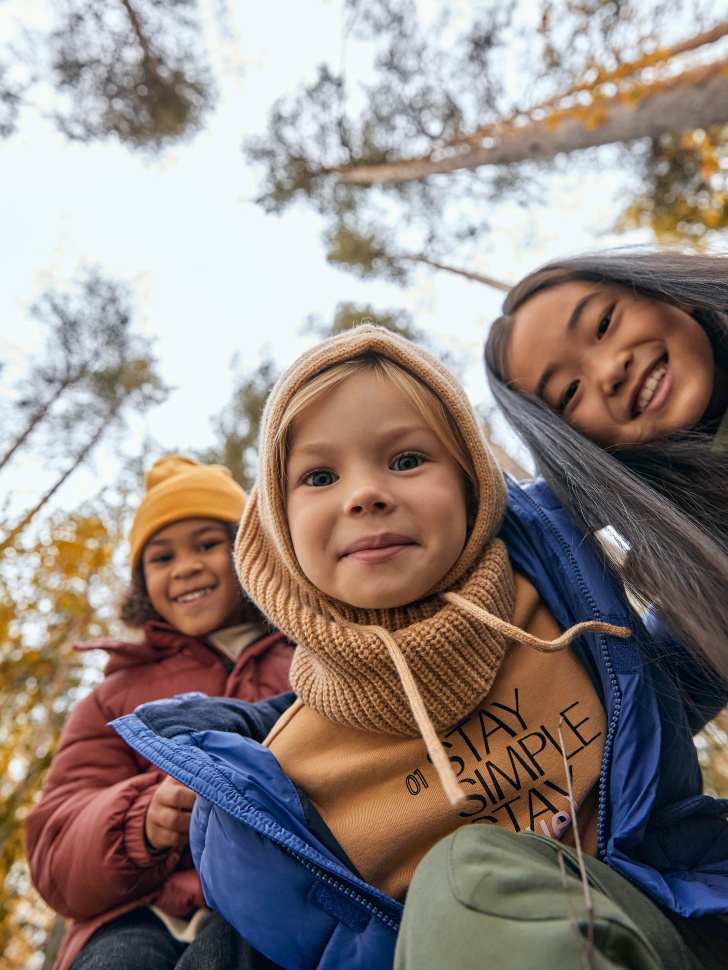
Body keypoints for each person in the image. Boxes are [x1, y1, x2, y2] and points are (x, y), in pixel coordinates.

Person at [114, 325, 728, 970]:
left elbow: (666, 682)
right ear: (278, 531)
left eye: (407, 460)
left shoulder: (565, 595)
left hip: (676, 914)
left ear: (470, 484)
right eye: (319, 476)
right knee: (463, 876)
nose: (364, 494)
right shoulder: (277, 789)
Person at [26, 456, 295, 970]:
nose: (186, 567)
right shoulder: (112, 696)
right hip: (140, 915)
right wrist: (142, 820)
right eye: (162, 556)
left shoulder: (310, 659)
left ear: (251, 549)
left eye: (208, 544)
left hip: (275, 902)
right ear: (140, 582)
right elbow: (55, 852)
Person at [485, 249, 728, 689]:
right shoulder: (698, 586)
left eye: (603, 324)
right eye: (570, 391)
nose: (610, 371)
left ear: (668, 293)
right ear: (581, 447)